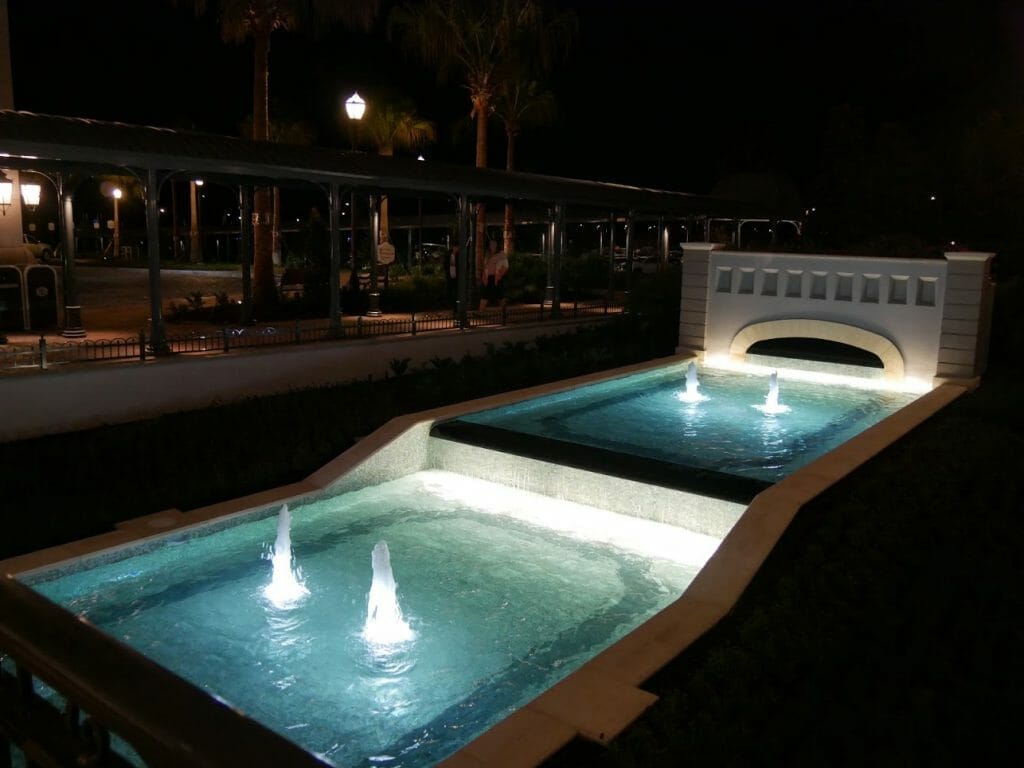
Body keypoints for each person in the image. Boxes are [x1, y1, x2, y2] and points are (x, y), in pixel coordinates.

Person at [479, 239, 509, 311]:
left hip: (497, 277)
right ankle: (481, 311)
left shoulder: (501, 254)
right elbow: (485, 266)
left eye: (494, 244)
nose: (492, 245)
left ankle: (504, 311)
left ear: (497, 245)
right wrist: (484, 275)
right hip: (488, 276)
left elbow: (506, 265)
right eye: (491, 244)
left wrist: (500, 274)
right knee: (485, 294)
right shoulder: (488, 254)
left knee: (500, 295)